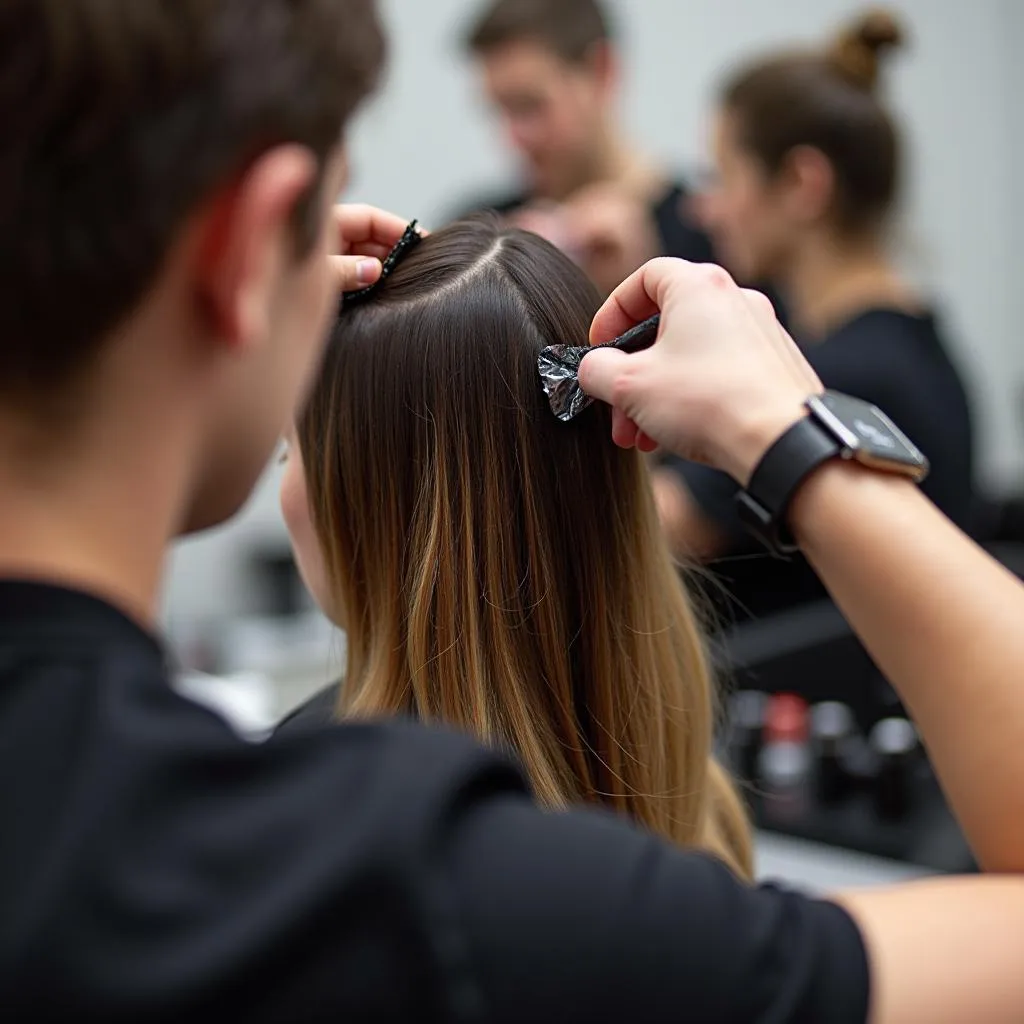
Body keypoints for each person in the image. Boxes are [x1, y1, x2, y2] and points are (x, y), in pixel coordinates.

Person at [5, 2, 1024, 1021]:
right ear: (247, 244)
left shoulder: (156, 841)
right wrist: (796, 440)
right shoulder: (513, 914)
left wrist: (205, 357)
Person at [274, 214, 752, 876]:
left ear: (376, 517)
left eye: (289, 450)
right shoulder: (698, 805)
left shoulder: (309, 826)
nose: (285, 490)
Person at [652, 9, 975, 620]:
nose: (704, 210)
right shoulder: (910, 346)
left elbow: (650, 530)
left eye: (722, 176)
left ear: (802, 183)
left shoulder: (843, 379)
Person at [458, 0, 713, 294]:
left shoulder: (715, 240)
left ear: (601, 71)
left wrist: (644, 293)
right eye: (498, 110)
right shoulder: (478, 235)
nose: (513, 137)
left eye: (529, 105)